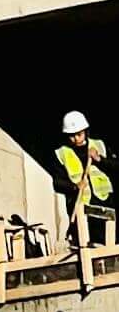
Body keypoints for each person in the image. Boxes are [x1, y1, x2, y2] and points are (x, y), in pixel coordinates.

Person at [55, 110, 111, 261]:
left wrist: (100, 160)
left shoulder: (99, 145)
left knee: (108, 241)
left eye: (79, 134)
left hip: (104, 204)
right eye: (72, 135)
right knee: (86, 244)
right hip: (80, 208)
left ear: (85, 131)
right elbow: (57, 182)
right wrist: (74, 186)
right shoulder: (62, 153)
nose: (76, 138)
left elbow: (115, 168)